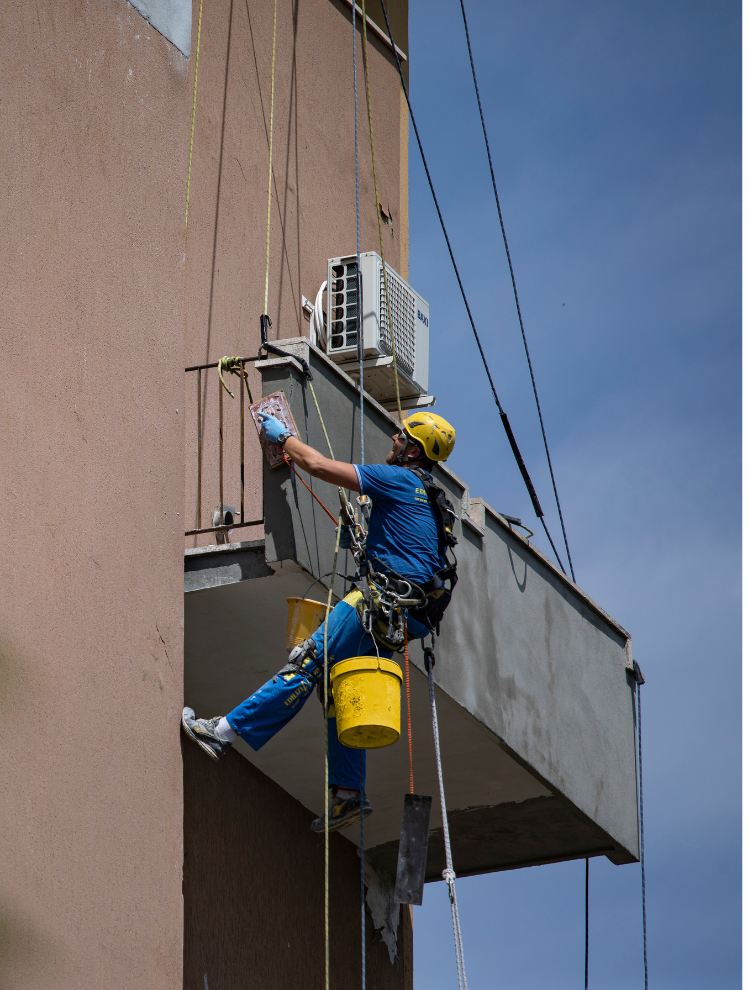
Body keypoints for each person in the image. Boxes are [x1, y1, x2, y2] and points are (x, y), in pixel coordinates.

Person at [182, 411, 457, 832]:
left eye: (401, 436)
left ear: (413, 449)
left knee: (307, 661)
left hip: (376, 601)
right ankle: (347, 795)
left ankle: (221, 732)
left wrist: (284, 438)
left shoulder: (397, 479)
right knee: (334, 682)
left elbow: (318, 466)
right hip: (405, 617)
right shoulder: (432, 499)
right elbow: (413, 553)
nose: (393, 438)